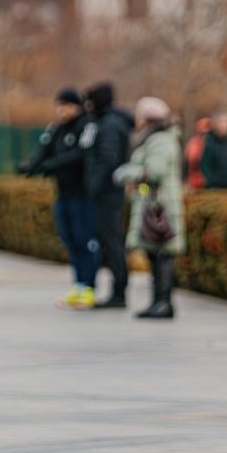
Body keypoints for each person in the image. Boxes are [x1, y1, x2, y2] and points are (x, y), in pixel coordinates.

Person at [20, 88, 97, 308]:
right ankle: (78, 284)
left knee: (84, 239)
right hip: (63, 193)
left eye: (66, 106)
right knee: (70, 239)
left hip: (82, 194)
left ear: (77, 106)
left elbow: (81, 154)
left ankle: (89, 286)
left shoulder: (87, 125)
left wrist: (54, 165)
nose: (61, 111)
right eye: (59, 106)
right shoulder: (57, 128)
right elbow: (43, 149)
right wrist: (30, 167)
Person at [114, 96, 185, 319]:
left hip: (160, 206)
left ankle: (163, 302)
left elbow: (154, 171)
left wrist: (128, 172)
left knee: (163, 254)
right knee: (155, 254)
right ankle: (158, 301)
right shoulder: (154, 138)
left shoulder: (161, 140)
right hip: (153, 203)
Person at [83, 83, 133, 309]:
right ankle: (117, 290)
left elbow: (107, 159)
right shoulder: (105, 122)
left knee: (112, 243)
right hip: (108, 193)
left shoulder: (110, 125)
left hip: (108, 195)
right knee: (110, 242)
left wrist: (93, 187)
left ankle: (119, 292)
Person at [184, 116, 211, 190]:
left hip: (210, 180)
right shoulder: (193, 143)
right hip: (195, 179)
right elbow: (190, 161)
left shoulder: (214, 144)